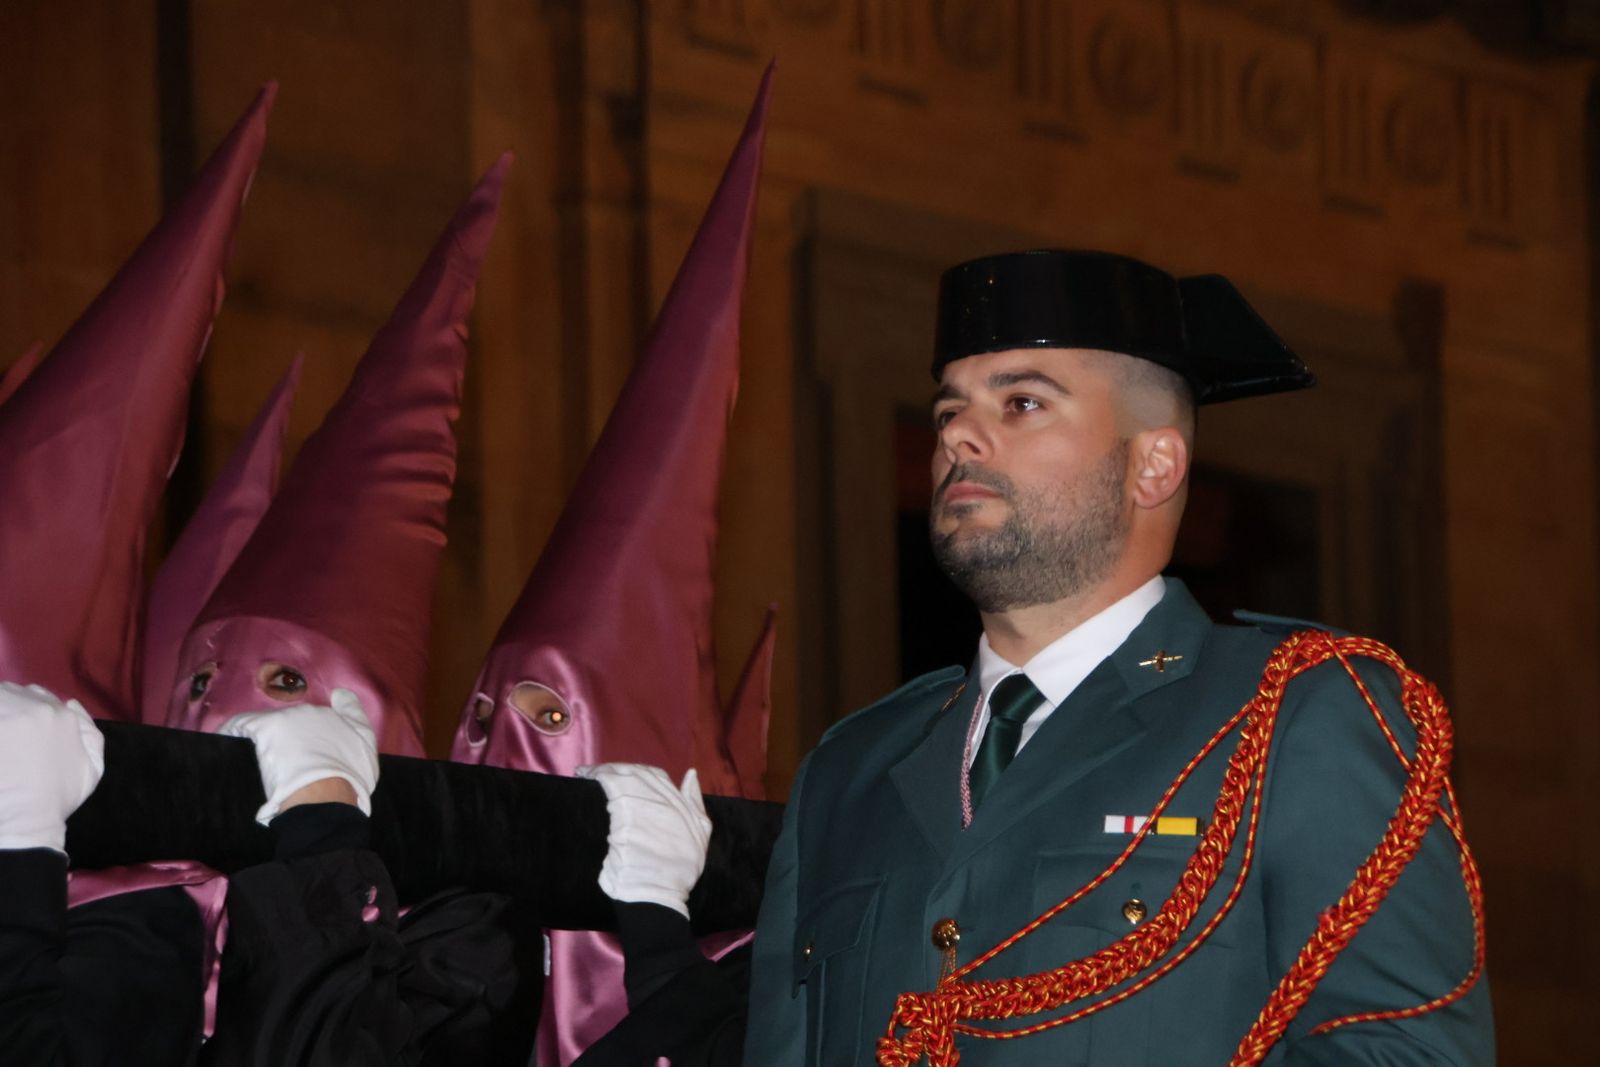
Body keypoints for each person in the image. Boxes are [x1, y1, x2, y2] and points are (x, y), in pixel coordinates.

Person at [744, 249, 1492, 1065]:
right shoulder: (849, 769)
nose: (958, 432)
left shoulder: (1296, 716)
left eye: (1022, 401)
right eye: (947, 411)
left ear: (1154, 465)